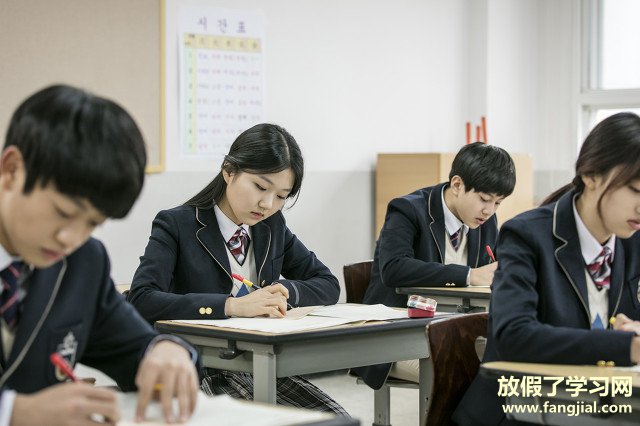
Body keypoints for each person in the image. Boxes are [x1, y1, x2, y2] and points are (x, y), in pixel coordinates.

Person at [0, 85, 200, 425]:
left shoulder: (82, 263)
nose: (71, 239)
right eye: (63, 212)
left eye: (92, 223)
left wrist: (167, 350)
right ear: (12, 169)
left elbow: (134, 347)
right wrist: (13, 413)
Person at [127, 123, 346, 415]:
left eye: (282, 196)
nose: (267, 204)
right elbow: (142, 298)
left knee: (338, 420)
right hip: (201, 368)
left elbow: (328, 283)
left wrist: (286, 290)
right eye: (260, 187)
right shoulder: (176, 224)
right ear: (229, 171)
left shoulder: (272, 227)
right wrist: (230, 306)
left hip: (260, 365)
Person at [454, 112, 640, 425]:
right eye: (635, 190)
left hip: (600, 399)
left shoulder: (630, 237)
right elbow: (515, 336)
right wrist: (626, 345)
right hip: (523, 404)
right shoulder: (527, 235)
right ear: (591, 175)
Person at [355, 142, 516, 390]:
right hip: (396, 340)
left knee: (513, 370)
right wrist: (469, 275)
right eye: (484, 199)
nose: (489, 210)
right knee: (476, 379)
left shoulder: (486, 221)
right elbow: (394, 268)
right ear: (457, 185)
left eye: (498, 203)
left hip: (457, 333)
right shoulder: (407, 209)